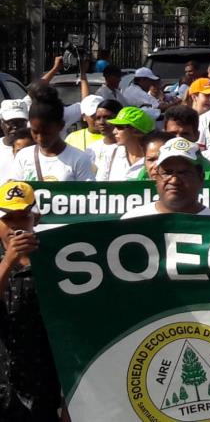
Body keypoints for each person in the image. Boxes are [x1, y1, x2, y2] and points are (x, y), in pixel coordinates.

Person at [0, 181, 64, 421]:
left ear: (35, 219)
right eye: (8, 219)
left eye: (22, 217)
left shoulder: (58, 262)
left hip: (43, 391)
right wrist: (8, 262)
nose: (15, 226)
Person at [121, 138, 210, 218]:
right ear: (156, 177)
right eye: (167, 173)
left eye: (183, 173)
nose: (174, 180)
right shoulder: (132, 220)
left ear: (201, 178)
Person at [12, 92, 94, 182]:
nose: (40, 138)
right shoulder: (23, 157)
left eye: (46, 133)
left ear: (61, 126)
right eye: (35, 132)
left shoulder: (79, 159)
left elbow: (89, 193)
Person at [99, 106, 156, 181]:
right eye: (115, 127)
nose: (114, 132)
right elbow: (99, 187)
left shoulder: (155, 159)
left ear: (136, 131)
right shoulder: (110, 153)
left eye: (119, 127)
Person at [0, 100, 29, 183]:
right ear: (1, 122)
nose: (16, 126)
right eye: (11, 122)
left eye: (20, 122)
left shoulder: (37, 149)